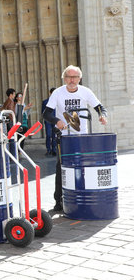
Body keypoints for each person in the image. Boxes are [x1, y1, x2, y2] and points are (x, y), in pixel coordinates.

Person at [43, 65, 108, 212]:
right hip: (65, 137)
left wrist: (102, 116)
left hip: (82, 136)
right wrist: (56, 121)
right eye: (69, 77)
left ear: (79, 78)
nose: (72, 80)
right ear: (64, 78)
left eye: (75, 77)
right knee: (61, 167)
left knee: (84, 166)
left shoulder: (86, 92)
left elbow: (100, 107)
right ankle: (58, 199)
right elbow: (46, 114)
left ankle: (85, 195)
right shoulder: (58, 93)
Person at [42, 88, 57, 156]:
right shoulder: (45, 101)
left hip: (55, 120)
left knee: (54, 135)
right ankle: (48, 149)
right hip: (48, 120)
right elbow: (43, 112)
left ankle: (54, 149)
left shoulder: (58, 101)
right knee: (48, 135)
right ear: (50, 93)